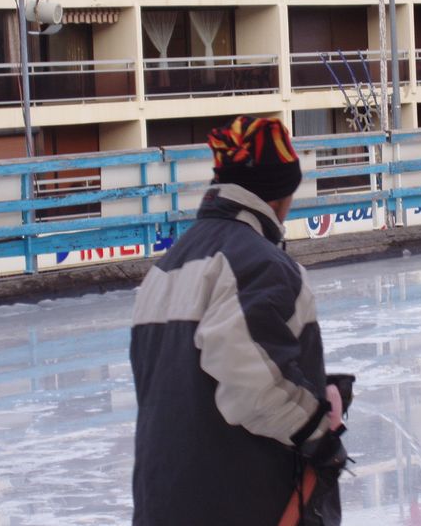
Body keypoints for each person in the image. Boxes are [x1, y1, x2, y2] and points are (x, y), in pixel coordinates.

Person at [130, 115, 350, 525]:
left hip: (163, 505)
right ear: (278, 194)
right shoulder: (260, 265)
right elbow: (254, 385)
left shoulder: (165, 270)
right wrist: (320, 437)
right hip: (244, 504)